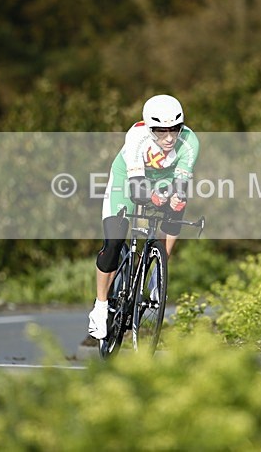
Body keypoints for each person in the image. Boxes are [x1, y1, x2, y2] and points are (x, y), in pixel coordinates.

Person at [88, 94, 199, 340]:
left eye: (175, 130)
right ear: (149, 127)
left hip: (163, 182)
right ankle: (100, 305)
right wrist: (155, 199)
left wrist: (175, 198)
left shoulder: (190, 141)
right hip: (126, 183)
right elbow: (138, 191)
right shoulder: (136, 136)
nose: (169, 138)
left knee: (178, 206)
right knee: (114, 242)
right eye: (161, 132)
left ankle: (158, 273)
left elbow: (181, 183)